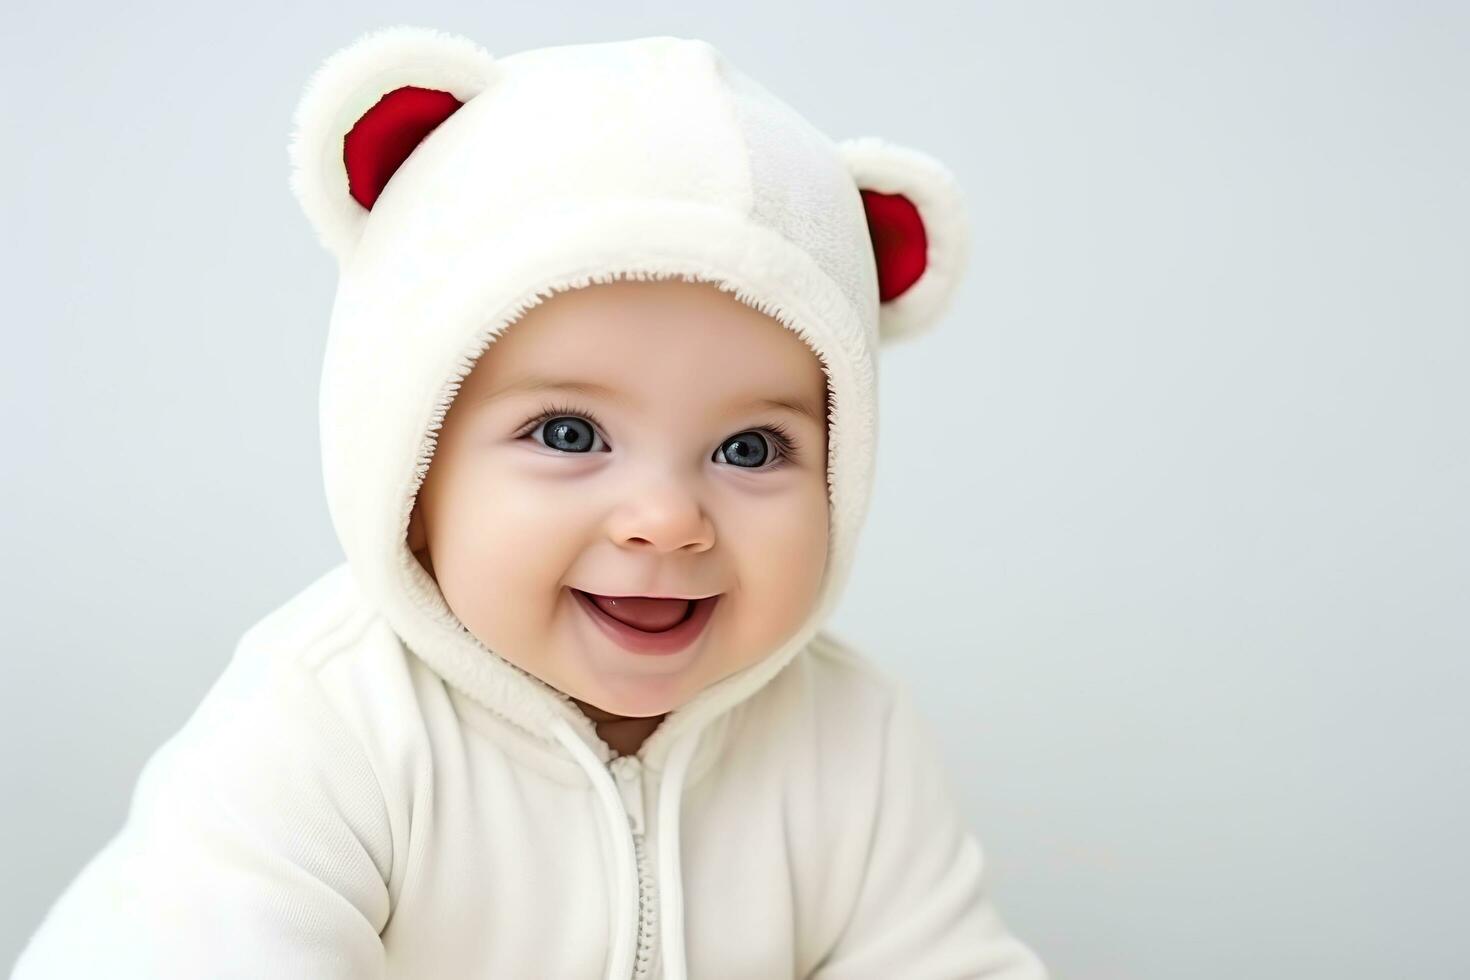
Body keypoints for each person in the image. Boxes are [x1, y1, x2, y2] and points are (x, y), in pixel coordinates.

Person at [13, 25, 1049, 980]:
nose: (667, 517)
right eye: (568, 433)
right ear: (411, 463)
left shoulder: (851, 737)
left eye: (750, 446)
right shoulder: (324, 720)